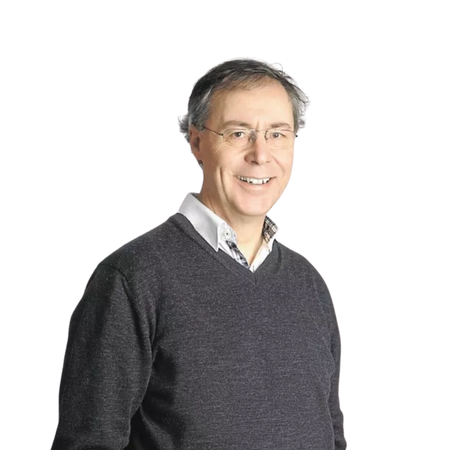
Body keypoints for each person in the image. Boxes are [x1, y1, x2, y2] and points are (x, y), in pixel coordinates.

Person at [51, 54, 348, 449]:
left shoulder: (309, 282)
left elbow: (332, 432)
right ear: (195, 141)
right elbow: (89, 442)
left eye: (278, 134)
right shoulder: (132, 277)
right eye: (238, 133)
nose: (261, 154)